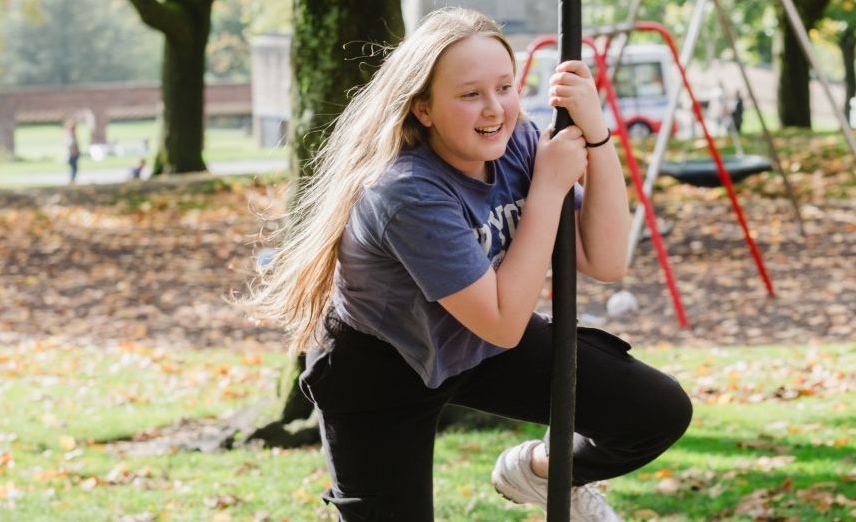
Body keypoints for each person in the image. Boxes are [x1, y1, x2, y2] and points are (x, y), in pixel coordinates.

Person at [245, 8, 692, 521]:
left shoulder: (517, 143)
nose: (495, 109)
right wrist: (548, 189)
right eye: (470, 94)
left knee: (654, 411)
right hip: (383, 366)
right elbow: (502, 323)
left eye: (504, 87)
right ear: (423, 109)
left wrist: (597, 136)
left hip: (479, 344)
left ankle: (539, 472)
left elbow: (607, 260)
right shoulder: (406, 193)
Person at [64, 120, 81, 184]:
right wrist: (73, 152)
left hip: (74, 154)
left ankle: (73, 180)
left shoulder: (73, 136)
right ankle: (72, 180)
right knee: (73, 168)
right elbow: (70, 145)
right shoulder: (69, 136)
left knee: (74, 168)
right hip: (72, 155)